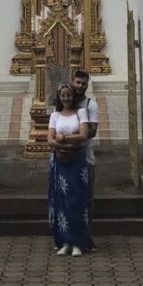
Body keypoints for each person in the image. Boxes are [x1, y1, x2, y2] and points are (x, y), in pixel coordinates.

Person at [47, 82, 92, 256]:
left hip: (77, 161)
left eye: (69, 95)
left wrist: (63, 138)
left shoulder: (81, 112)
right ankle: (65, 241)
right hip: (60, 161)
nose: (66, 98)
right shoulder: (55, 115)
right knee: (61, 201)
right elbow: (49, 140)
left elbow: (83, 136)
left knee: (77, 200)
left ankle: (79, 242)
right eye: (63, 95)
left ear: (73, 96)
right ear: (59, 97)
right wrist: (62, 142)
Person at [72, 69, 98, 229]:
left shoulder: (91, 105)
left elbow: (93, 131)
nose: (80, 86)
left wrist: (71, 135)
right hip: (66, 157)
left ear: (87, 85)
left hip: (86, 157)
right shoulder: (65, 101)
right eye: (78, 82)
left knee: (88, 197)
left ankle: (87, 233)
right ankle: (68, 233)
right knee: (68, 196)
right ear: (72, 81)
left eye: (83, 83)